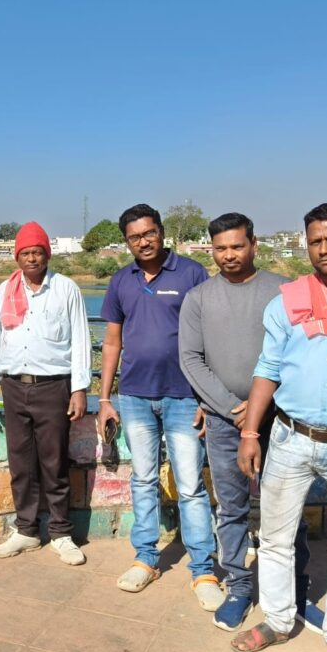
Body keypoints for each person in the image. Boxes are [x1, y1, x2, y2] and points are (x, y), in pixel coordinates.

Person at [232, 202, 327, 652]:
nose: (323, 248)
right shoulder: (288, 301)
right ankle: (277, 620)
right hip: (289, 437)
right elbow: (268, 368)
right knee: (274, 537)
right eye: (315, 241)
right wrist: (250, 432)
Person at [179, 212, 323, 632]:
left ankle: (296, 591)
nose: (229, 255)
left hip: (280, 419)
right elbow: (191, 359)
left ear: (254, 245)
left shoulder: (285, 290)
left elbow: (305, 351)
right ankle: (240, 588)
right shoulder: (199, 298)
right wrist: (232, 407)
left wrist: (263, 406)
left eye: (237, 246)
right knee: (232, 508)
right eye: (220, 248)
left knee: (289, 508)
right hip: (224, 421)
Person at [95, 204, 220, 608]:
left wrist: (207, 397)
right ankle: (146, 559)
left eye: (149, 233)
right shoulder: (121, 280)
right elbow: (112, 341)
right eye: (134, 237)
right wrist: (105, 398)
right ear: (126, 242)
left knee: (190, 485)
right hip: (134, 397)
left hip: (184, 397)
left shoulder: (191, 274)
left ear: (162, 232)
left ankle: (203, 569)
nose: (143, 242)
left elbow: (210, 337)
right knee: (143, 479)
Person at [0, 222, 92, 565]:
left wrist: (79, 389)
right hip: (13, 386)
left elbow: (81, 340)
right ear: (17, 257)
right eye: (25, 253)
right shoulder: (5, 290)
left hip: (53, 386)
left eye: (37, 252)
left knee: (54, 462)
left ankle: (60, 533)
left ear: (47, 255)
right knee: (20, 462)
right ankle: (26, 530)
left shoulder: (66, 289)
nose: (31, 258)